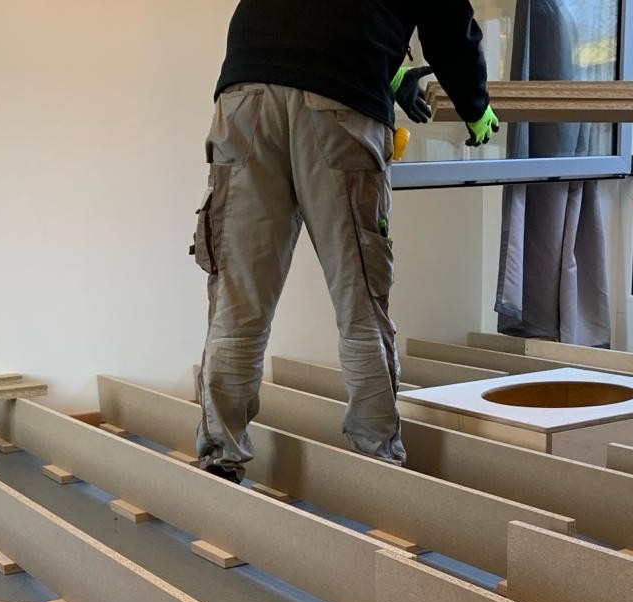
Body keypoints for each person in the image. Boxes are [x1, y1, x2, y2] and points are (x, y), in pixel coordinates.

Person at [193, 1, 499, 481]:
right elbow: (447, 24)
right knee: (359, 300)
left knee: (238, 299)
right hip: (341, 103)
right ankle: (376, 462)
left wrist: (391, 74)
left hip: (245, 96)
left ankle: (220, 459)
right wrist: (475, 105)